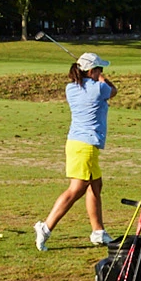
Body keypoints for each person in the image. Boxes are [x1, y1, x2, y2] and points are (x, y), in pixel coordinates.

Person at [34, 52, 116, 252]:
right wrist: (102, 78)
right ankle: (45, 227)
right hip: (85, 147)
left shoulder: (70, 88)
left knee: (95, 186)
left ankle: (98, 231)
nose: (102, 73)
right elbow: (113, 90)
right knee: (76, 189)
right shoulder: (98, 89)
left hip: (75, 144)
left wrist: (94, 75)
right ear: (91, 71)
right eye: (99, 69)